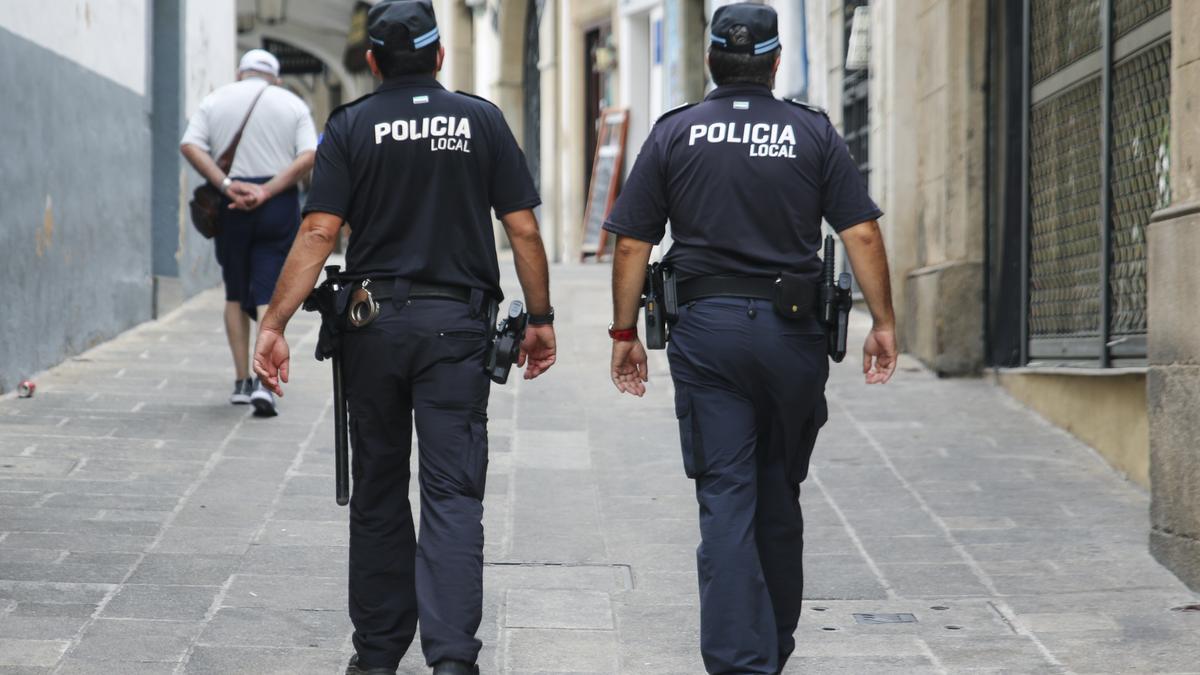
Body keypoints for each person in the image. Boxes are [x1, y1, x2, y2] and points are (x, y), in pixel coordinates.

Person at [250, 2, 556, 674]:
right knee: (452, 492)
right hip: (456, 329)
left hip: (374, 328)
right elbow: (524, 229)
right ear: (440, 55)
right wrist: (540, 317)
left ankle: (379, 653)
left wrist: (272, 324)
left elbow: (318, 232)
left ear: (371, 62)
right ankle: (452, 659)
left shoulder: (351, 125)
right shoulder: (481, 119)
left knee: (380, 487)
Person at [603, 4, 898, 673]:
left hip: (708, 337)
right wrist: (883, 322)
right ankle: (775, 642)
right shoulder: (811, 132)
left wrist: (624, 332)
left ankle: (742, 658)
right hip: (793, 336)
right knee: (777, 487)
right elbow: (862, 234)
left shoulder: (676, 133)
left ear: (711, 59)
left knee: (726, 490)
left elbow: (631, 246)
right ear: (773, 60)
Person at [180, 48, 318, 416]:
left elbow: (189, 144)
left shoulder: (215, 100)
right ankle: (263, 381)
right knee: (268, 286)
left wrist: (226, 185)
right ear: (274, 77)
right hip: (276, 201)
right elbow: (309, 155)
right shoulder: (292, 103)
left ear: (241, 73)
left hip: (231, 202)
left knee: (234, 290)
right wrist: (268, 190)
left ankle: (241, 381)